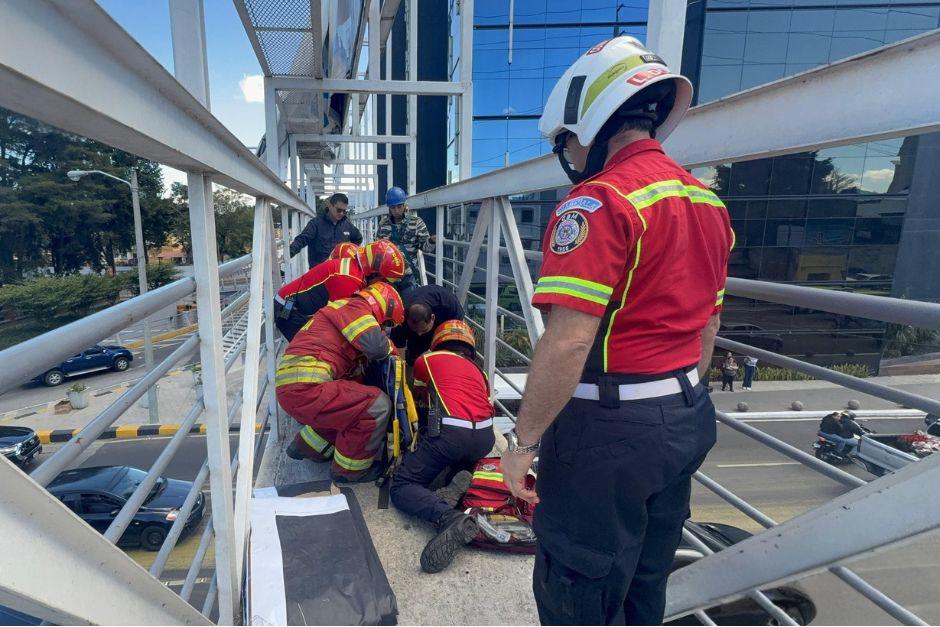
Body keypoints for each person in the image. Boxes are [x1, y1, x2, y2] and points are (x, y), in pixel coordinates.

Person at [498, 36, 734, 625]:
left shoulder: (599, 202)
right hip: (684, 414)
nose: (568, 154)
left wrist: (522, 446)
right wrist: (669, 400)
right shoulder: (707, 202)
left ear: (591, 125)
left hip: (606, 434)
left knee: (579, 584)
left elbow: (569, 340)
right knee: (644, 581)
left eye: (565, 140)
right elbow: (709, 323)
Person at [390, 320, 495, 574]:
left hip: (451, 434)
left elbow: (412, 391)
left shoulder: (429, 359)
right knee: (453, 454)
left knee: (402, 485)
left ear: (438, 341)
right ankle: (458, 479)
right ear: (470, 346)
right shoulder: (479, 372)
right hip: (484, 438)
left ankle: (447, 517)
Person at [276, 282, 405, 482]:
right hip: (306, 389)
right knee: (377, 406)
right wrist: (395, 354)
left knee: (349, 405)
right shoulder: (357, 308)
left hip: (293, 389)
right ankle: (349, 471)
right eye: (387, 324)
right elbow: (377, 346)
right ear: (384, 308)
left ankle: (306, 447)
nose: (385, 330)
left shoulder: (341, 310)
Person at [274, 240, 406, 341]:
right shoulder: (350, 280)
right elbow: (339, 320)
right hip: (287, 309)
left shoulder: (353, 269)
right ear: (376, 273)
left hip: (290, 303)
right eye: (386, 281)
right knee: (311, 349)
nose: (384, 285)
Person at [376, 186, 435, 294]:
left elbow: (426, 248)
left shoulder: (416, 222)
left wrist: (432, 241)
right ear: (389, 208)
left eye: (399, 206)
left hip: (408, 275)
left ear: (404, 205)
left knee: (409, 306)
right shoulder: (383, 224)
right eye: (393, 207)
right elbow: (377, 249)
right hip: (388, 275)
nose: (396, 210)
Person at [389, 284, 465, 366]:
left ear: (432, 318)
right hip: (413, 325)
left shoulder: (449, 305)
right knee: (413, 358)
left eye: (423, 330)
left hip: (445, 324)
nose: (419, 334)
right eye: (415, 330)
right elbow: (399, 355)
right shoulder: (400, 318)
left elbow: (459, 336)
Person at [289, 192, 363, 267]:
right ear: (330, 206)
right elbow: (302, 239)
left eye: (344, 211)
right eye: (339, 210)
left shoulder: (347, 224)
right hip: (321, 272)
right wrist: (288, 253)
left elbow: (358, 238)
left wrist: (350, 252)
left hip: (340, 271)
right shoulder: (316, 224)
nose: (341, 213)